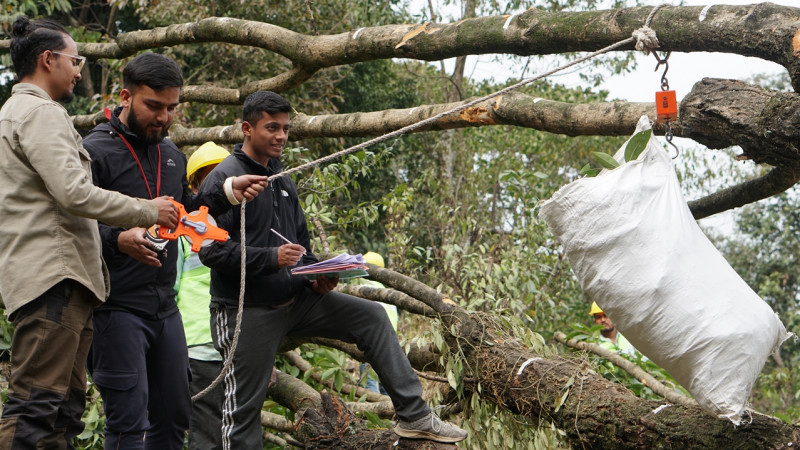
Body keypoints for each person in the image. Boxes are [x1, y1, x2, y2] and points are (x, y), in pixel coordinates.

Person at [197, 90, 468, 447]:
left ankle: (415, 416)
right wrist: (270, 258)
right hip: (246, 311)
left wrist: (319, 277)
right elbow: (209, 251)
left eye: (286, 129)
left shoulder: (283, 180)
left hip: (297, 302)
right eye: (271, 128)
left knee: (371, 316)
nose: (280, 136)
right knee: (242, 413)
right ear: (246, 128)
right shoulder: (224, 181)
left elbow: (302, 249)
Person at [0, 17, 179, 449]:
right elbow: (74, 192)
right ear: (48, 60)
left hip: (65, 281)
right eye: (74, 59)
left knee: (63, 412)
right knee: (36, 407)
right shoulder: (40, 112)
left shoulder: (15, 112)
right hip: (54, 278)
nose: (79, 70)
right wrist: (144, 211)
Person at [82, 53, 267, 449]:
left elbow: (187, 211)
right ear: (125, 96)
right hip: (115, 307)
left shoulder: (171, 154)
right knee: (128, 422)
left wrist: (229, 193)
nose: (163, 117)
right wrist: (118, 239)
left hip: (165, 310)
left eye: (171, 108)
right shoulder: (94, 151)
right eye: (154, 106)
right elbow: (71, 225)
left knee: (173, 417)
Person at [175, 141, 230, 449]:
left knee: (236, 428)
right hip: (199, 347)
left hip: (236, 347)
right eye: (209, 180)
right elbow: (170, 290)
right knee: (208, 431)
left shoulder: (241, 225)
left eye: (223, 178)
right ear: (195, 188)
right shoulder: (184, 231)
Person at [356, 251, 397, 395]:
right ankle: (390, 413)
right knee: (387, 384)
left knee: (370, 384)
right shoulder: (388, 293)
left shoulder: (361, 287)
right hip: (390, 345)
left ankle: (371, 415)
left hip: (370, 344)